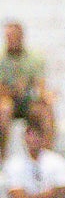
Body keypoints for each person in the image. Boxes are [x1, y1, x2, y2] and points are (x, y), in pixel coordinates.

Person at [0, 21, 56, 157]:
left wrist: (46, 97)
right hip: (7, 101)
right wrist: (14, 90)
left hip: (28, 101)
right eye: (9, 37)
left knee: (46, 112)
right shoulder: (1, 58)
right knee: (4, 109)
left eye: (14, 36)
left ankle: (46, 157)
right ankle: (2, 157)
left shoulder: (34, 58)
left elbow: (40, 85)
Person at [3, 120, 65, 198]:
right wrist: (47, 195)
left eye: (37, 136)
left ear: (43, 138)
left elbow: (63, 194)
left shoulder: (57, 160)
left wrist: (30, 197)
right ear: (24, 138)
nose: (34, 140)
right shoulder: (14, 163)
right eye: (30, 136)